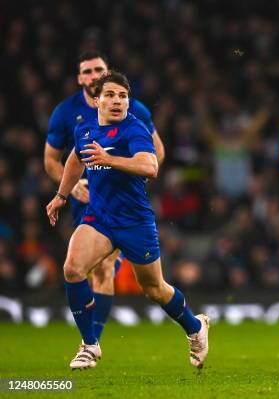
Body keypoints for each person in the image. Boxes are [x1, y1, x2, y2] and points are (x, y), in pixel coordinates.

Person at [46, 71, 208, 370]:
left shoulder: (134, 129)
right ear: (97, 100)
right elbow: (74, 159)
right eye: (110, 95)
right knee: (72, 268)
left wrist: (109, 159)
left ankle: (195, 327)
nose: (117, 101)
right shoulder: (84, 129)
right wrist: (61, 195)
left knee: (154, 288)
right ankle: (89, 345)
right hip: (99, 218)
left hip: (134, 222)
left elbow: (150, 166)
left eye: (122, 95)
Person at [44, 51, 165, 342]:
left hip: (122, 202)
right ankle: (91, 340)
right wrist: (68, 189)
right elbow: (53, 160)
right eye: (87, 71)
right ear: (80, 79)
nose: (93, 75)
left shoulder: (132, 111)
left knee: (105, 269)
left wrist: (132, 174)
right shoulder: (66, 113)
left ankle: (92, 341)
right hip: (85, 200)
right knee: (78, 268)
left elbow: (156, 154)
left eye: (98, 69)